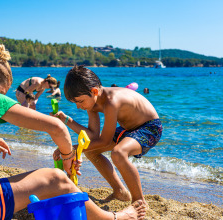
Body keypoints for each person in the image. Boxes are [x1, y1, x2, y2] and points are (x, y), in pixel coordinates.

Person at [0, 46, 146, 220]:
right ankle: (115, 217)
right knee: (56, 179)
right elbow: (58, 127)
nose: (1, 98)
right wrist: (68, 156)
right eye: (2, 92)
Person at [52, 65, 162, 208]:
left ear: (94, 91)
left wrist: (73, 149)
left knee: (119, 153)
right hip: (127, 129)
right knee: (92, 151)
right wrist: (67, 121)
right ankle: (120, 191)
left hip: (150, 127)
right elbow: (93, 135)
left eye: (80, 101)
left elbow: (104, 140)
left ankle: (139, 201)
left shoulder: (111, 101)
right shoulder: (92, 103)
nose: (78, 107)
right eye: (76, 103)